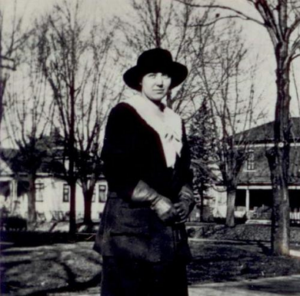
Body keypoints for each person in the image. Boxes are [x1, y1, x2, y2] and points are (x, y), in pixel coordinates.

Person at [94, 48, 195, 296]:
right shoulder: (125, 112)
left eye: (165, 75)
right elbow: (116, 169)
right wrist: (156, 199)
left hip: (168, 231)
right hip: (130, 231)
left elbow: (185, 170)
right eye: (152, 75)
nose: (160, 82)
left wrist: (185, 198)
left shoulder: (175, 120)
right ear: (140, 80)